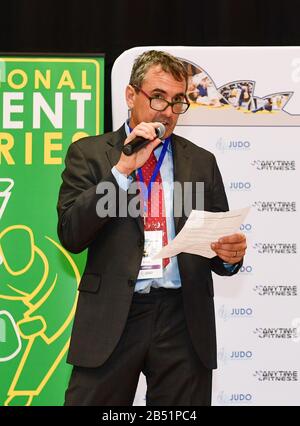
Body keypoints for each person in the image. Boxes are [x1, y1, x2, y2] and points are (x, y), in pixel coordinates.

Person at [57, 50, 247, 406]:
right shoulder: (91, 154)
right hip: (115, 315)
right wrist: (122, 170)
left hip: (182, 319)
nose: (167, 111)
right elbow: (71, 233)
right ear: (131, 95)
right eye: (158, 97)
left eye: (178, 102)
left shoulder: (201, 162)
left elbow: (216, 242)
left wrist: (228, 256)